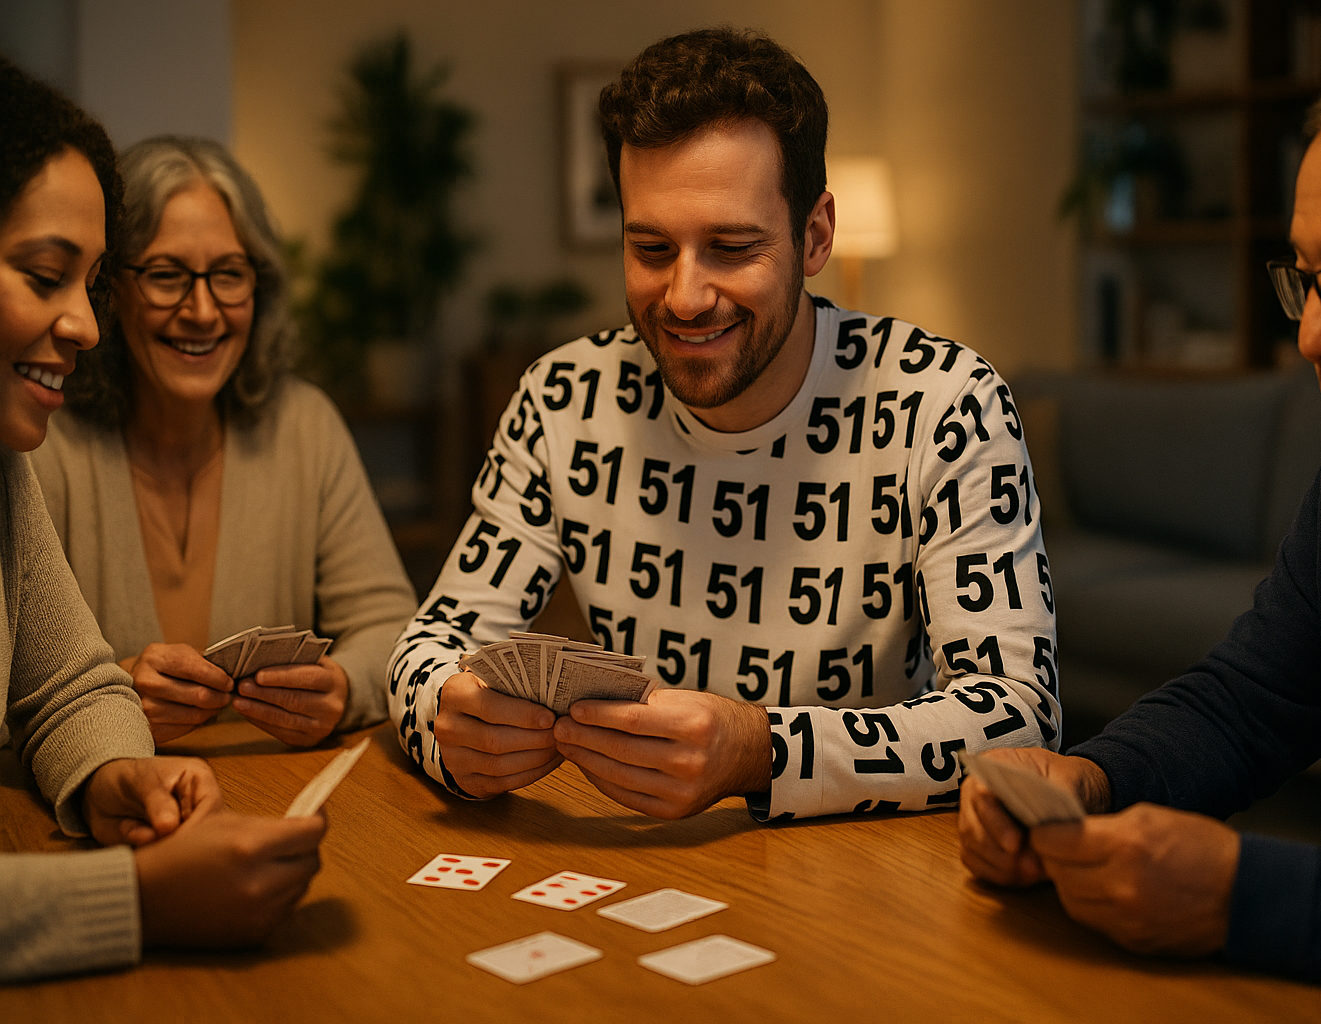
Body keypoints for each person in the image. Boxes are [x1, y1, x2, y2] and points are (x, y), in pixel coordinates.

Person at [957, 38, 1321, 1007]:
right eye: (1306, 278)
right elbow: (1252, 699)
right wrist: (1088, 778)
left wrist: (1246, 895)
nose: (1313, 334)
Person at [389, 28, 1058, 820]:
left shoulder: (947, 404)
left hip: (862, 873)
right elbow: (426, 644)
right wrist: (450, 719)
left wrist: (760, 751)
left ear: (814, 236)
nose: (683, 296)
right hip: (641, 855)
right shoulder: (562, 399)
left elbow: (1018, 719)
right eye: (649, 248)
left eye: (731, 247)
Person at [0, 55, 325, 983]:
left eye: (88, 283)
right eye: (44, 275)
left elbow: (67, 686)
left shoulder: (5, 469)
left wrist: (114, 777)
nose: (84, 326)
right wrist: (136, 902)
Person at [33, 135, 418, 748]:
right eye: (166, 275)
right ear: (109, 289)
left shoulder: (305, 427)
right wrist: (105, 701)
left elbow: (393, 629)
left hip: (276, 800)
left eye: (229, 275)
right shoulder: (43, 444)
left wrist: (343, 686)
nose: (204, 311)